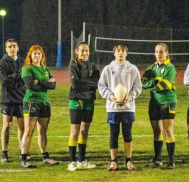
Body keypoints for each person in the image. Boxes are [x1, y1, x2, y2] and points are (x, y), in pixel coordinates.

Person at [98, 43, 142, 171]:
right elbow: (102, 86)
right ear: (114, 53)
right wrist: (110, 96)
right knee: (114, 134)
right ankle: (113, 161)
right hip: (113, 108)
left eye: (123, 51)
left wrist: (130, 96)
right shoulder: (108, 69)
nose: (121, 53)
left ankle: (129, 161)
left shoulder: (132, 69)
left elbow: (137, 87)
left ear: (126, 53)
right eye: (118, 51)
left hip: (128, 108)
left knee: (127, 134)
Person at [20, 45, 58, 168]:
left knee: (43, 131)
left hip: (44, 102)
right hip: (31, 101)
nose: (37, 56)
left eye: (39, 54)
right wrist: (45, 83)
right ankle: (24, 158)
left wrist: (39, 82)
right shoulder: (27, 69)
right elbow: (30, 85)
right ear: (30, 56)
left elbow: (53, 86)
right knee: (28, 130)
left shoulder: (46, 70)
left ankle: (45, 157)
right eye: (34, 53)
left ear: (42, 56)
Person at [142, 43, 177, 169]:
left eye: (161, 51)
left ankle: (171, 161)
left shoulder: (170, 68)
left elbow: (165, 85)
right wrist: (155, 82)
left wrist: (152, 84)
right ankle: (157, 159)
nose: (158, 54)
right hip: (154, 102)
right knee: (156, 131)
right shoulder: (151, 67)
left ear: (166, 53)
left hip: (167, 101)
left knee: (168, 131)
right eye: (156, 51)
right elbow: (143, 82)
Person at [67, 42, 100, 171]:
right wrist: (89, 84)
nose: (85, 53)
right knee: (75, 131)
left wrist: (84, 83)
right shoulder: (73, 65)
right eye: (82, 51)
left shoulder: (93, 66)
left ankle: (81, 160)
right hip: (76, 100)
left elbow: (97, 83)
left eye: (87, 50)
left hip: (89, 101)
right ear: (77, 51)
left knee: (84, 131)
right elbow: (75, 84)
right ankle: (71, 161)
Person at [0, 39, 26, 163]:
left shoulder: (23, 62)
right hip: (7, 99)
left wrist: (13, 79)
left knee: (22, 127)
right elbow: (4, 82)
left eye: (14, 46)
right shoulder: (2, 63)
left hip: (21, 98)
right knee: (7, 126)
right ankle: (4, 153)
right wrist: (15, 76)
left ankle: (23, 152)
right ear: (6, 49)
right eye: (9, 47)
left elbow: (25, 80)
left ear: (18, 48)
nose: (12, 49)